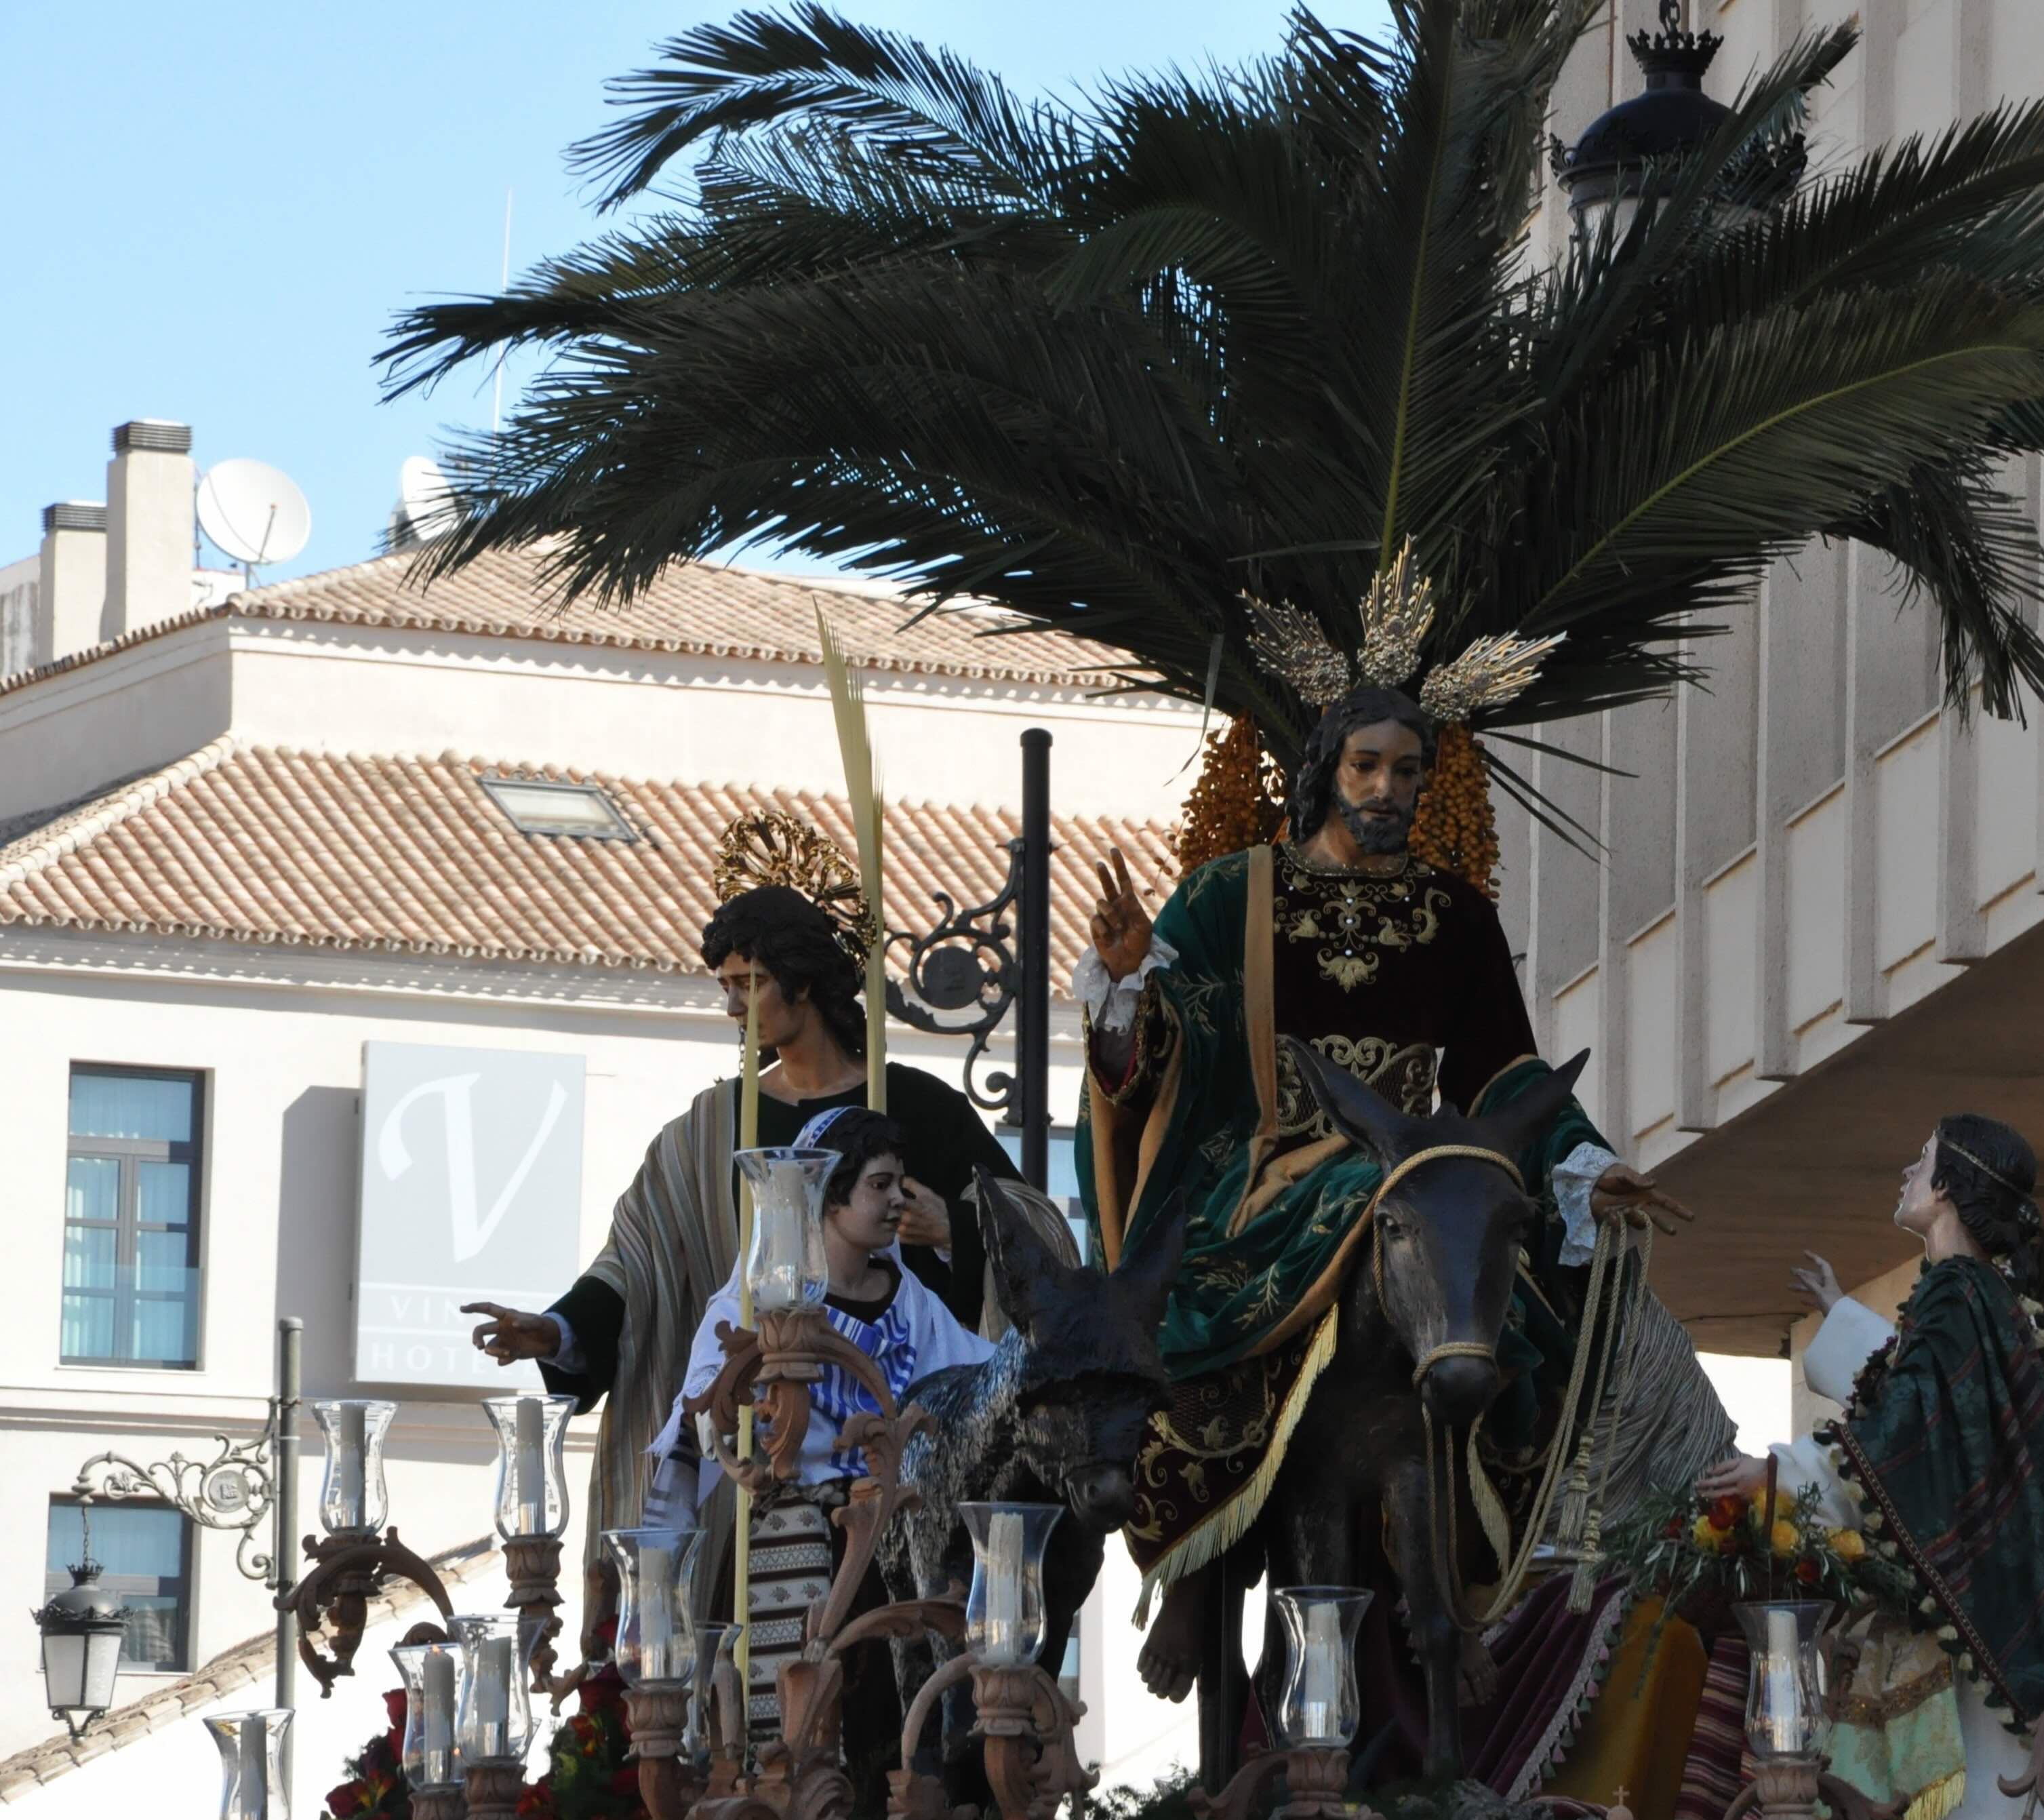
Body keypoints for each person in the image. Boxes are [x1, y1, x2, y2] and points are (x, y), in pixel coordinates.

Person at [1073, 683, 1691, 1701]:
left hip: (1413, 1165)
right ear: (1325, 770)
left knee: (1515, 1299)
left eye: (1408, 772)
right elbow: (1161, 1063)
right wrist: (1131, 987)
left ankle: (1460, 1553)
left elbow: (1504, 1076)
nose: (1387, 789)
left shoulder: (1455, 915)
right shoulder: (1233, 896)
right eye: (1366, 766)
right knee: (1198, 1304)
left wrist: (1584, 1162)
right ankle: (1196, 1552)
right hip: (1268, 1171)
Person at [464, 881, 1018, 1634]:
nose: (733, 1008)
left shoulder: (921, 1109)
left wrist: (950, 1228)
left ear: (804, 980)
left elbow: (1029, 1236)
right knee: (755, 1662)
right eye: (726, 987)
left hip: (902, 1455)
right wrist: (560, 1330)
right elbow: (637, 1259)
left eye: (749, 984)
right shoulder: (711, 1127)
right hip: (758, 1462)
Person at [1685, 1117, 2044, 1820]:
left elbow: (1908, 1436)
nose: (1905, 1169)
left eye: (1920, 1159)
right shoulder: (1979, 1298)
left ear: (1950, 1185)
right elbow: (1931, 1404)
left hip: (1978, 1628)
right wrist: (1840, 1313)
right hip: (1999, 1594)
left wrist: (1781, 1477)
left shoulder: (1957, 1294)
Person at [645, 1107, 995, 1743]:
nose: (898, 1201)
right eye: (879, 1185)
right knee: (790, 1737)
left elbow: (980, 1383)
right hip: (791, 1537)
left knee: (891, 1735)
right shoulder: (751, 1307)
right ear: (830, 1196)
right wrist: (669, 1544)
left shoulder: (912, 1301)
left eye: (898, 1183)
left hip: (893, 1547)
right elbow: (697, 1420)